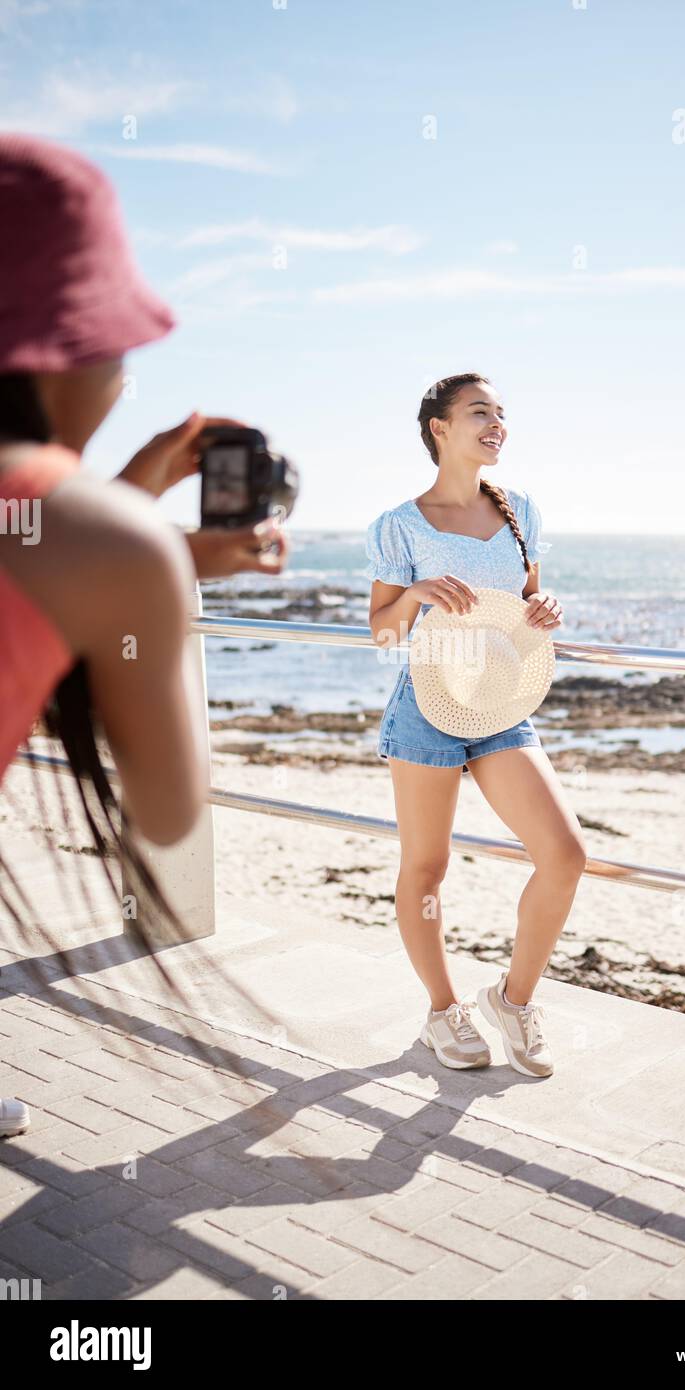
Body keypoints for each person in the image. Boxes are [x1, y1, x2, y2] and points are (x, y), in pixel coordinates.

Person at [0, 133, 288, 1138]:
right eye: (116, 346)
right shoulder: (108, 548)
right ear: (64, 351)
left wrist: (140, 527)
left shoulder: (75, 535)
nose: (123, 376)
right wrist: (152, 578)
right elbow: (166, 815)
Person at [365, 373, 588, 1079]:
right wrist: (415, 596)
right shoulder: (398, 523)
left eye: (500, 413)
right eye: (479, 412)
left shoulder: (519, 509)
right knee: (426, 867)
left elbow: (525, 601)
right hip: (425, 704)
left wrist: (545, 605)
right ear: (439, 427)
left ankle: (513, 1001)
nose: (496, 423)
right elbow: (379, 631)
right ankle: (443, 1011)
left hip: (501, 702)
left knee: (564, 853)